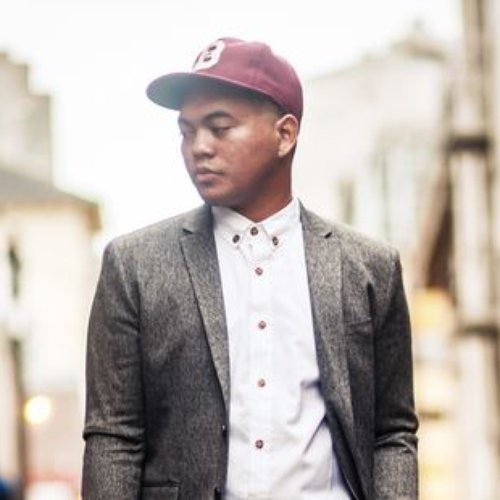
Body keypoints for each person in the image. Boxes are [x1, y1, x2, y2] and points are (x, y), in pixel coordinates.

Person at [82, 37, 418, 500]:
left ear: (285, 134)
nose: (199, 147)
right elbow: (113, 437)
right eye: (187, 131)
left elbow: (392, 431)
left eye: (220, 128)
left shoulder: (370, 268)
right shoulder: (134, 266)